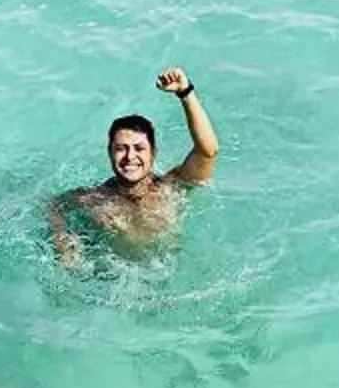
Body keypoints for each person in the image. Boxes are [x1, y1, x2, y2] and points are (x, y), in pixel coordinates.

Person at [49, 69, 220, 267]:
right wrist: (61, 237)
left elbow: (208, 151)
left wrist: (185, 93)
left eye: (139, 148)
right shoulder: (95, 199)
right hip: (114, 279)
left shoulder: (171, 187)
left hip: (166, 273)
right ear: (110, 153)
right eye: (121, 148)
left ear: (153, 153)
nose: (130, 157)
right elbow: (54, 204)